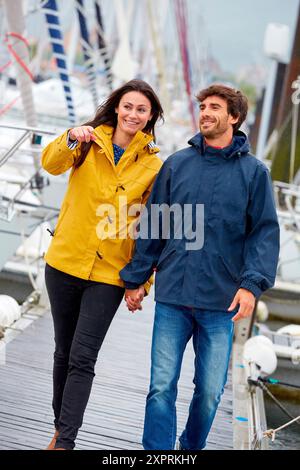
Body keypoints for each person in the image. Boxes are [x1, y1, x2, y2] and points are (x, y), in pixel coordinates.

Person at [120, 84, 280, 450]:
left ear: (234, 117)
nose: (205, 112)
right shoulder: (177, 164)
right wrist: (137, 280)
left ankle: (189, 449)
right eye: (203, 106)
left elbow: (264, 235)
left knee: (209, 393)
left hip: (220, 302)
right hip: (173, 296)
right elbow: (153, 227)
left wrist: (251, 286)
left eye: (215, 107)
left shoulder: (254, 173)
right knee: (161, 385)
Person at [41, 79, 163, 450]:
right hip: (63, 262)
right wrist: (70, 138)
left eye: (142, 110)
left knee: (83, 357)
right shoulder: (87, 141)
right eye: (128, 106)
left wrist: (143, 281)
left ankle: (65, 443)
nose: (133, 114)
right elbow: (50, 164)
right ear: (116, 108)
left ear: (150, 117)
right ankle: (60, 428)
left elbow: (155, 226)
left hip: (109, 274)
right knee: (63, 351)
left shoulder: (154, 165)